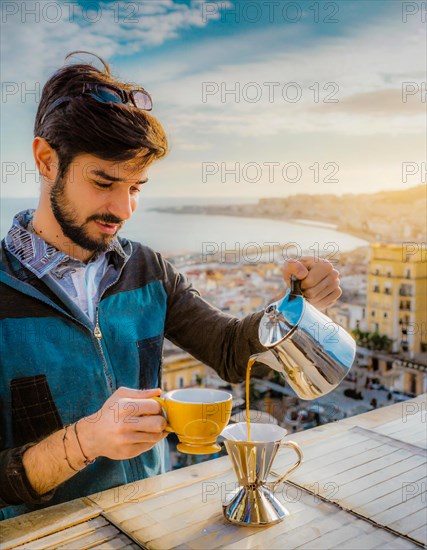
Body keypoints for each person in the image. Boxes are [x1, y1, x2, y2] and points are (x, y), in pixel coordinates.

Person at [0, 52, 342, 519]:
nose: (124, 209)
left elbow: (227, 349)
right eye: (104, 182)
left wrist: (297, 308)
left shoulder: (148, 269)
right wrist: (85, 440)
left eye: (136, 187)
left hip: (149, 523)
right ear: (46, 160)